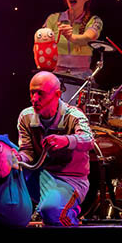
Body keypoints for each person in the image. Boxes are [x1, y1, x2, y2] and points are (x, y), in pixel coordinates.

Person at [16, 71, 95, 225]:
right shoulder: (26, 116)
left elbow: (89, 139)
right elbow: (27, 151)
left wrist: (66, 140)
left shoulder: (74, 115)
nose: (34, 99)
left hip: (69, 179)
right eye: (32, 92)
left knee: (51, 212)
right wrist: (17, 158)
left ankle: (67, 214)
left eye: (40, 93)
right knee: (2, 155)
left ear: (57, 94)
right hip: (39, 175)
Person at [42, 0, 103, 103]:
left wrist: (71, 37)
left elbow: (88, 38)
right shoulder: (53, 19)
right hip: (56, 76)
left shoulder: (94, 20)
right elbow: (41, 43)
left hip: (80, 79)